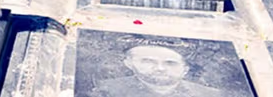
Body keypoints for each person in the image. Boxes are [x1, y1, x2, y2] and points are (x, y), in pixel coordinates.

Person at [93, 45, 221, 97]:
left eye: (170, 63)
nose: (160, 68)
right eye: (148, 61)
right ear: (129, 64)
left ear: (185, 69)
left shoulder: (210, 95)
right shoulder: (107, 89)